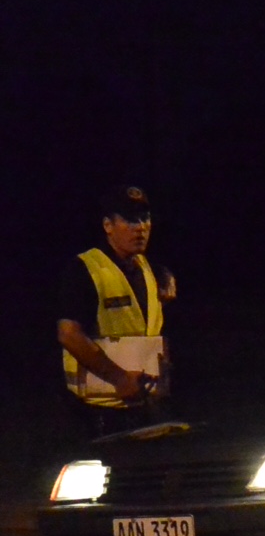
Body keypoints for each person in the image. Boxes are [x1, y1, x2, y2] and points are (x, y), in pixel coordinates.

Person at [57, 184, 176, 438]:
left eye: (145, 219)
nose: (140, 227)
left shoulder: (148, 267)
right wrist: (120, 379)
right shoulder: (85, 269)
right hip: (98, 411)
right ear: (108, 225)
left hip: (145, 405)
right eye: (130, 220)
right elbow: (68, 335)